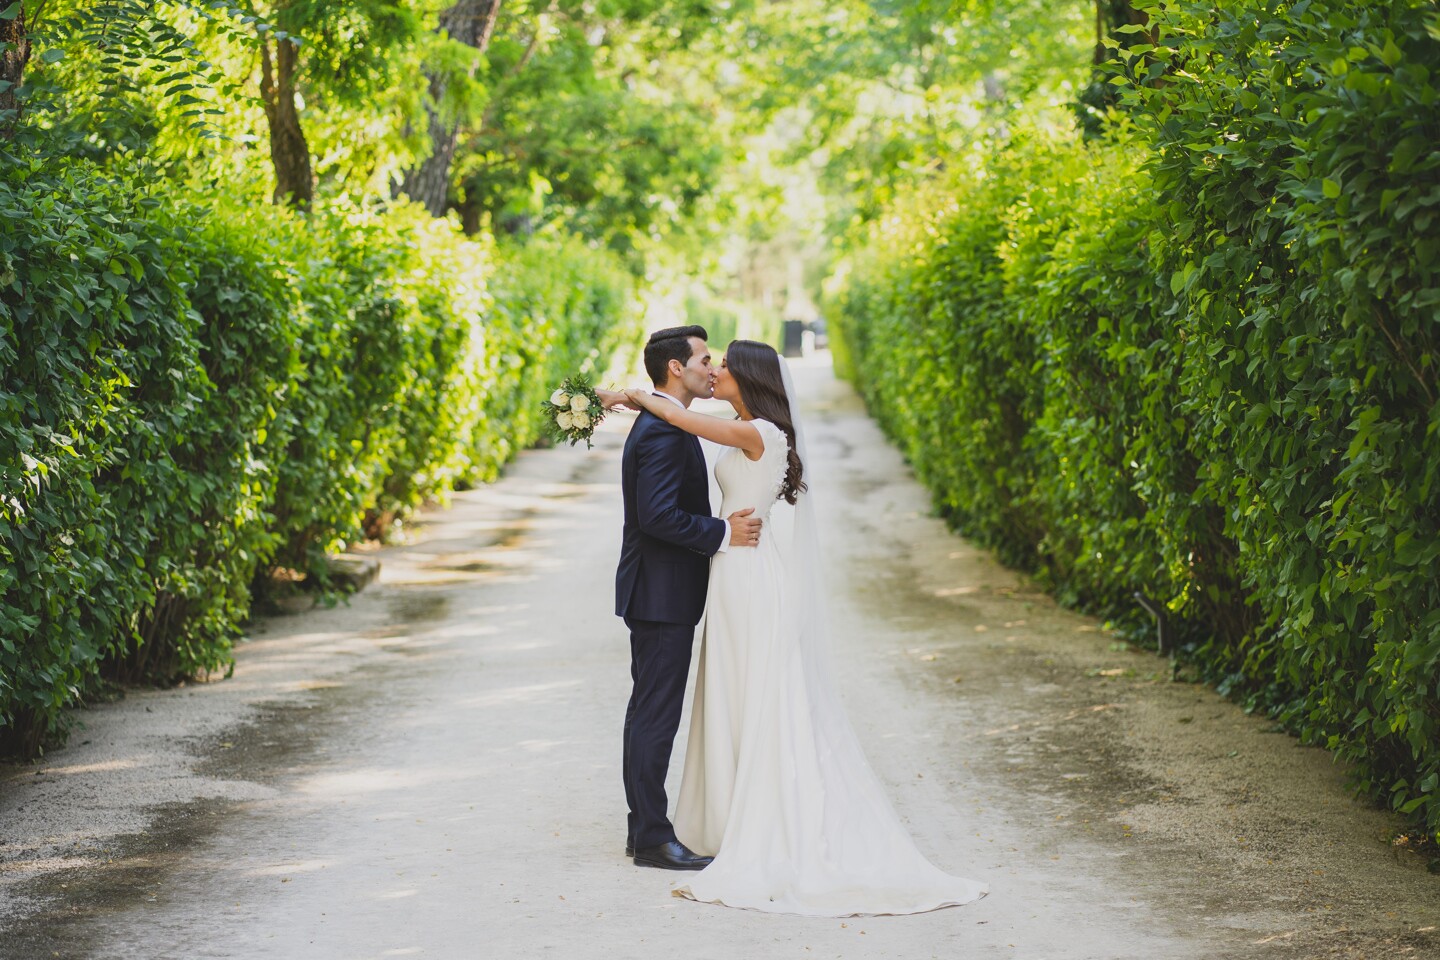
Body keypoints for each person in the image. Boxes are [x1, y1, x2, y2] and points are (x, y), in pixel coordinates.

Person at [601, 339, 988, 917]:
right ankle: (677, 826)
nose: (716, 370)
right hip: (730, 572)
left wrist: (628, 395)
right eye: (710, 361)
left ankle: (728, 823)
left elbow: (680, 417)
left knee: (756, 697)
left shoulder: (760, 433)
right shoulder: (737, 426)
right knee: (720, 697)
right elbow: (679, 424)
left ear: (750, 378)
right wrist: (629, 398)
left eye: (724, 364)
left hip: (749, 574)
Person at [612, 326, 765, 871]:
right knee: (655, 716)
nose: (711, 368)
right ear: (676, 368)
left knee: (647, 712)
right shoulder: (661, 431)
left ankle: (643, 830)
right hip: (660, 592)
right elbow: (656, 516)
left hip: (660, 590)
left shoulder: (665, 420)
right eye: (704, 359)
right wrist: (723, 533)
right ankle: (653, 838)